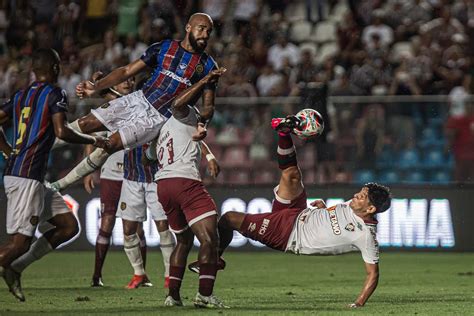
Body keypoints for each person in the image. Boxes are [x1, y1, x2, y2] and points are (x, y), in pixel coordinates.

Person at [191, 115, 391, 308]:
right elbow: (338, 217)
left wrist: (359, 303)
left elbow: (373, 275)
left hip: (288, 234)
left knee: (228, 219)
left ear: (371, 209)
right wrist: (325, 208)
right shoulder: (356, 205)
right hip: (298, 211)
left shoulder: (366, 236)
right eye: (361, 192)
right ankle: (284, 133)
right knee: (292, 175)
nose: (357, 195)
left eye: (362, 196)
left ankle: (211, 261)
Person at [50, 12, 219, 192]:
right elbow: (126, 71)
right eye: (201, 29)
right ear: (188, 28)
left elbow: (208, 106)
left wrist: (202, 124)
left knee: (109, 145)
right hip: (138, 99)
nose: (205, 35)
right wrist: (95, 86)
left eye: (209, 31)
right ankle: (31, 149)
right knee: (85, 123)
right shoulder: (164, 47)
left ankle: (58, 186)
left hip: (157, 118)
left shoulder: (209, 66)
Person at [0, 48, 107, 301]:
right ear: (56, 68)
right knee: (19, 244)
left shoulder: (21, 95)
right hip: (26, 177)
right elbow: (61, 131)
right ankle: (13, 263)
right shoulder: (55, 93)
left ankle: (15, 269)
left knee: (69, 226)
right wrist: (93, 139)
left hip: (30, 176)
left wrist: (7, 151)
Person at [146, 67, 227, 308]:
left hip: (164, 186)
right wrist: (205, 81)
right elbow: (179, 105)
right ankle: (204, 294)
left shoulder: (160, 127)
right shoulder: (183, 112)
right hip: (185, 182)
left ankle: (172, 295)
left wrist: (208, 155)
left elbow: (147, 158)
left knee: (183, 241)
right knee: (210, 239)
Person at [82, 74, 135, 287]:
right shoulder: (108, 108)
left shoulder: (141, 104)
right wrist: (88, 170)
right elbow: (90, 138)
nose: (128, 82)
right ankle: (97, 276)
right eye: (125, 79)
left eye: (132, 80)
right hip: (111, 172)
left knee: (135, 225)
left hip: (134, 173)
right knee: (107, 221)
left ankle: (140, 275)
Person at [117, 142, 176, 289]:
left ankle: (170, 275)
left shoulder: (162, 118)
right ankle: (139, 274)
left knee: (163, 226)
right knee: (128, 230)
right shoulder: (126, 119)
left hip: (157, 178)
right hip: (131, 178)